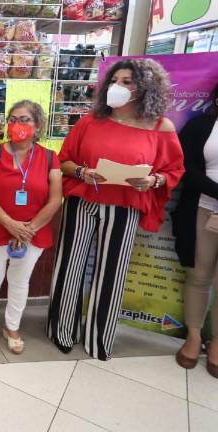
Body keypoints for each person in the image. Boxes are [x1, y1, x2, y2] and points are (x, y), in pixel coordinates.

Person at [47, 59, 185, 360]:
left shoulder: (160, 127)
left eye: (126, 82)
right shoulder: (90, 121)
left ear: (144, 88)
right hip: (83, 200)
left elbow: (174, 170)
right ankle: (62, 329)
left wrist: (153, 180)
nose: (117, 86)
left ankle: (99, 338)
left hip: (124, 206)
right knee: (69, 265)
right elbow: (64, 160)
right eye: (114, 80)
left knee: (112, 272)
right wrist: (82, 172)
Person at [0, 100, 62, 354]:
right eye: (12, 119)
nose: (17, 124)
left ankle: (12, 327)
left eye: (24, 119)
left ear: (38, 125)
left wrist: (27, 230)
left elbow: (55, 199)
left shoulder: (50, 157)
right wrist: (9, 223)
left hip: (33, 232)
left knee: (20, 281)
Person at [172, 81, 218, 378]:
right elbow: (186, 167)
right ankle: (193, 336)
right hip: (202, 209)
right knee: (199, 275)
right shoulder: (200, 126)